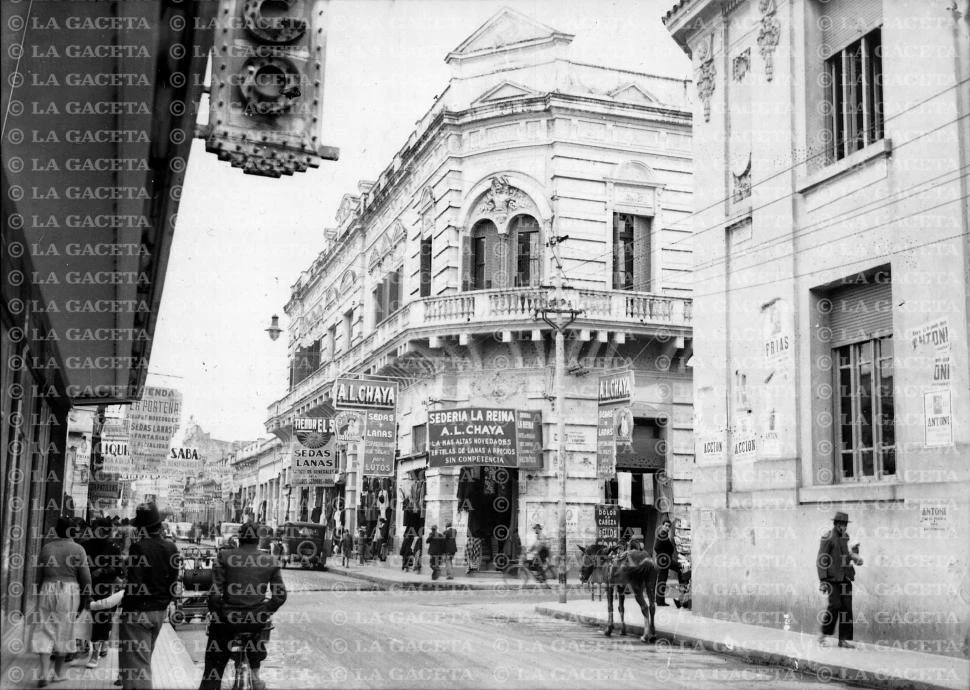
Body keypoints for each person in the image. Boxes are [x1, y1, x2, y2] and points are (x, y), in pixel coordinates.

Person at [199, 522, 287, 690]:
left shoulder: (224, 556)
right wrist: (264, 610)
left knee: (213, 666)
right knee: (257, 634)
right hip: (255, 620)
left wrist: (218, 612)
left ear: (239, 539)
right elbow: (280, 596)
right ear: (258, 540)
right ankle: (255, 676)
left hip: (227, 621)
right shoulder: (271, 561)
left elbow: (215, 595)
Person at [118, 503, 180, 689]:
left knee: (137, 668)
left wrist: (126, 608)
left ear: (141, 529)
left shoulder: (139, 548)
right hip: (159, 613)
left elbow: (134, 584)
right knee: (142, 660)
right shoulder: (171, 548)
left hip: (138, 613)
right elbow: (173, 582)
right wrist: (163, 604)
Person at [31, 516, 91, 687]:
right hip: (69, 591)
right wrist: (86, 598)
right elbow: (86, 578)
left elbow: (38, 577)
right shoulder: (78, 549)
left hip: (47, 588)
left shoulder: (47, 548)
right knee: (65, 631)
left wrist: (39, 595)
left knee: (44, 630)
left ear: (57, 530)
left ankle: (43, 673)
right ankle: (58, 673)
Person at [816, 511, 864, 648]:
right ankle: (822, 635)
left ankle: (843, 640)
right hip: (832, 579)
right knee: (835, 606)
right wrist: (823, 580)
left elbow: (852, 557)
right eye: (840, 524)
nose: (843, 527)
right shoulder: (828, 537)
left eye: (845, 524)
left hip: (846, 578)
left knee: (846, 609)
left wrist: (856, 555)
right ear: (835, 524)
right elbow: (821, 559)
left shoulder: (847, 538)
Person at [82, 517, 123, 669]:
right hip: (87, 587)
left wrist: (103, 570)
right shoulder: (84, 546)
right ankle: (97, 644)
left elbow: (119, 569)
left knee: (102, 619)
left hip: (105, 588)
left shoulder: (113, 547)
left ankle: (95, 653)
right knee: (87, 618)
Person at [653, 518, 685, 606]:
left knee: (662, 580)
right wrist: (662, 555)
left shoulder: (665, 534)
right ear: (662, 526)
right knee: (680, 568)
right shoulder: (662, 534)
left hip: (664, 560)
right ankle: (682, 592)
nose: (667, 527)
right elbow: (656, 547)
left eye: (668, 526)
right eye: (666, 525)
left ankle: (660, 601)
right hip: (664, 560)